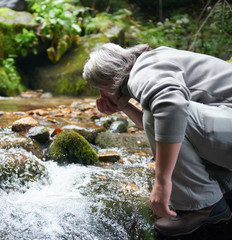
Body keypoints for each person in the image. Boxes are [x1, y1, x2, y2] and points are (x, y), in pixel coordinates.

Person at [83, 43, 232, 236]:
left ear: (107, 79)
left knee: (163, 114)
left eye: (99, 88)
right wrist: (124, 107)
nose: (101, 95)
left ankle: (201, 205)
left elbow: (171, 108)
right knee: (161, 119)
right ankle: (224, 188)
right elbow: (159, 126)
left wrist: (162, 182)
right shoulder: (153, 62)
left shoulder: (143, 70)